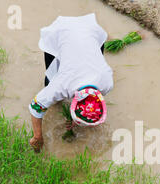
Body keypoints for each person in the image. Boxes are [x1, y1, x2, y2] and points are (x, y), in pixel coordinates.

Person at [28, 13, 114, 152]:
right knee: (50, 79)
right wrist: (38, 137)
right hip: (60, 32)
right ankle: (54, 99)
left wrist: (75, 119)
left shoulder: (107, 82)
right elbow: (35, 107)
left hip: (92, 31)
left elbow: (87, 103)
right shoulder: (62, 83)